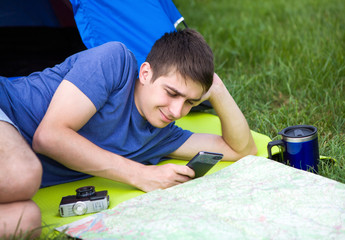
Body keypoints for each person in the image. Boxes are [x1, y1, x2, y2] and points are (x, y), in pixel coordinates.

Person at [0, 29, 257, 237]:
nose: (178, 110)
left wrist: (218, 88)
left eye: (190, 102)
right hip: (5, 109)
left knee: (25, 222)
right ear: (145, 73)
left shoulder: (161, 135)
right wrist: (141, 174)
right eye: (171, 93)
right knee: (23, 175)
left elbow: (241, 149)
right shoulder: (115, 63)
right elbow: (50, 137)